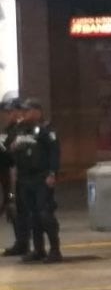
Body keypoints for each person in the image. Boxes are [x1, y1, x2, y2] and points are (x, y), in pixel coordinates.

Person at [9, 97, 62, 263]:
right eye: (23, 110)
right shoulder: (21, 129)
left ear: (37, 112)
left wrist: (52, 173)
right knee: (32, 215)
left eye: (28, 110)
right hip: (25, 178)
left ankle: (55, 250)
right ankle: (39, 249)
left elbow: (54, 152)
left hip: (41, 178)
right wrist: (13, 148)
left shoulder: (46, 130)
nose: (24, 113)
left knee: (45, 213)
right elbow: (12, 151)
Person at [0, 94, 26, 256]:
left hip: (20, 177)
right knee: (13, 207)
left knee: (20, 209)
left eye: (10, 112)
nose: (6, 115)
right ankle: (20, 242)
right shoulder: (9, 130)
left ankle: (25, 243)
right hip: (10, 180)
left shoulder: (22, 129)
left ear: (18, 111)